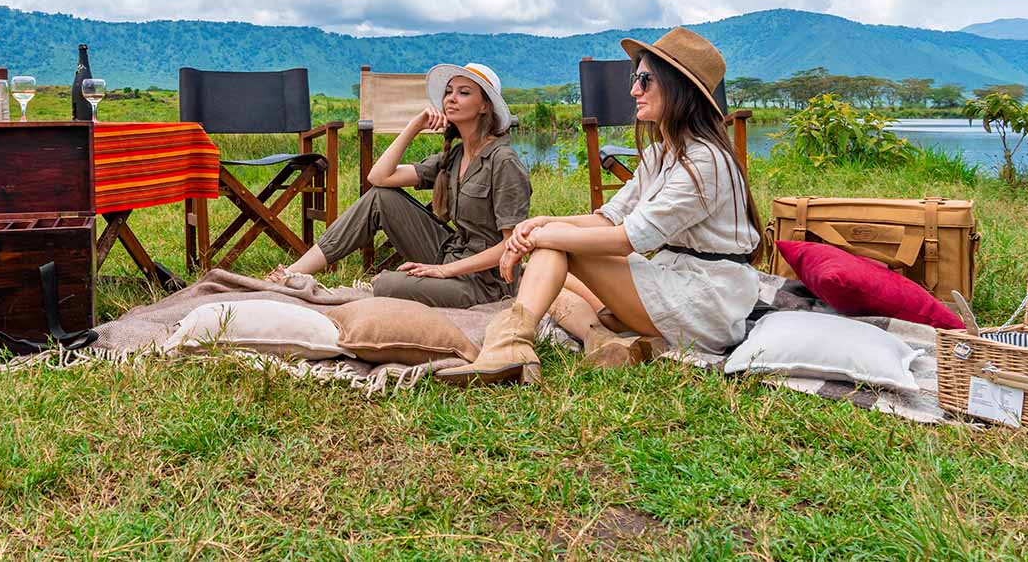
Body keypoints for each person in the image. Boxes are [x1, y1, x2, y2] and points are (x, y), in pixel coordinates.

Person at [436, 27, 764, 385]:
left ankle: (509, 346)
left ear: (678, 88)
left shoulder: (706, 161)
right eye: (634, 78)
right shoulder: (662, 154)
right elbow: (609, 218)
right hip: (674, 279)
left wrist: (543, 235)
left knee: (553, 250)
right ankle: (600, 340)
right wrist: (543, 221)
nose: (633, 89)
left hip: (705, 303)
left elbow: (625, 239)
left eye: (644, 80)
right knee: (545, 275)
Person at [267, 62, 531, 308]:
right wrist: (414, 126)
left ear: (485, 106)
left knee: (385, 283)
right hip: (450, 253)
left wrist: (444, 271)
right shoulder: (457, 156)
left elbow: (510, 247)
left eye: (464, 93)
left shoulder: (503, 162)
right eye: (449, 91)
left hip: (485, 283)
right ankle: (293, 274)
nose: (451, 98)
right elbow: (378, 178)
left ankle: (400, 287)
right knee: (381, 197)